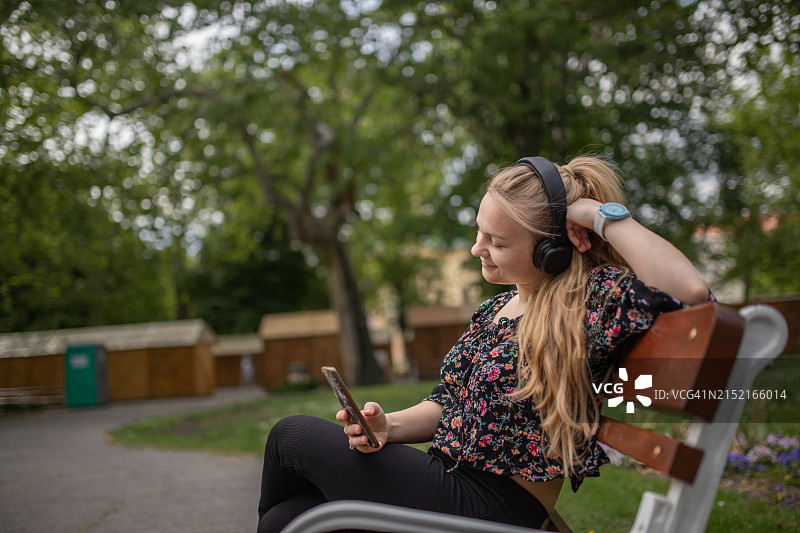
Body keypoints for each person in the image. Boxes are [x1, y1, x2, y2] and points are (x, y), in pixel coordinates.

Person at [256, 155, 711, 532]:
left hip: (495, 505)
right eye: (479, 232)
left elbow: (689, 291)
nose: (478, 249)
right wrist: (388, 427)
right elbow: (449, 400)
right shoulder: (496, 310)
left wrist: (595, 215)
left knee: (290, 436)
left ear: (549, 250)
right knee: (285, 520)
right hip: (450, 480)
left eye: (496, 241)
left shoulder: (587, 303)